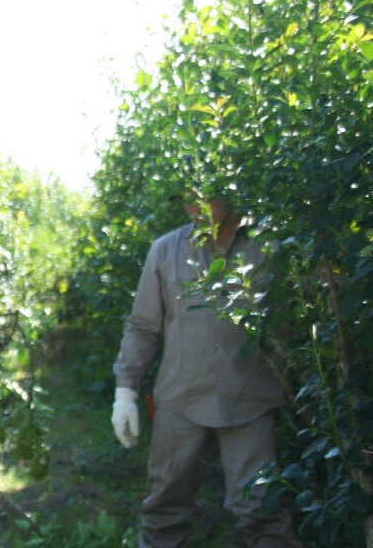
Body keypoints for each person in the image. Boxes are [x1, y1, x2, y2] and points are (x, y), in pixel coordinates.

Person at [110, 195, 300, 547]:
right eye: (187, 201)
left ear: (228, 194)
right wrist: (126, 390)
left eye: (204, 199)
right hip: (180, 398)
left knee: (262, 508)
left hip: (251, 398)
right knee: (164, 504)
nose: (194, 209)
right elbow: (142, 326)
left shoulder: (269, 246)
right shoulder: (166, 251)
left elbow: (299, 318)